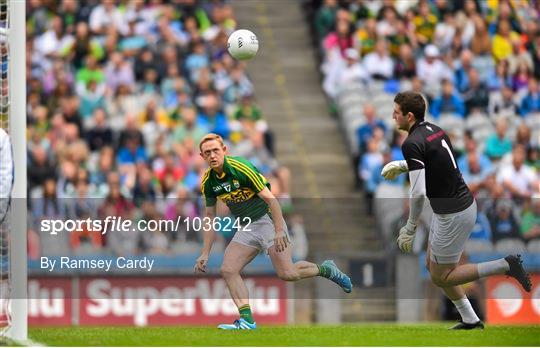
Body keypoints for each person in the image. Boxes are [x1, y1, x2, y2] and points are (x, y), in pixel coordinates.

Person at [381, 92, 531, 329]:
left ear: (409, 116)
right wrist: (403, 166)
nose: (392, 115)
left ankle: (506, 265)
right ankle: (470, 319)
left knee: (441, 275)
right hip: (458, 207)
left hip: (454, 215)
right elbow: (437, 162)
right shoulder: (435, 130)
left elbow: (418, 193)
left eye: (396, 112)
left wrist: (410, 227)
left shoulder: (411, 143)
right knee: (433, 265)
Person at [194, 133, 352, 330]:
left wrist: (278, 231)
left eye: (216, 150)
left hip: (268, 221)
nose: (212, 155)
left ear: (224, 150)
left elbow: (271, 199)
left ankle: (327, 270)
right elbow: (209, 217)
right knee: (228, 269)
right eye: (207, 153)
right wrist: (205, 252)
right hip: (246, 227)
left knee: (288, 273)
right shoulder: (208, 181)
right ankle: (247, 321)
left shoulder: (241, 168)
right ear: (202, 156)